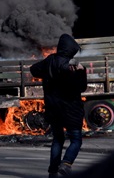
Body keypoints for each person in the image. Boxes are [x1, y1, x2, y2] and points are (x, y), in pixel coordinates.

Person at [30, 33, 87, 177]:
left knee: (58, 140)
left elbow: (33, 69)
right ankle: (66, 163)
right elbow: (81, 87)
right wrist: (81, 71)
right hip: (71, 110)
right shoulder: (70, 68)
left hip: (53, 110)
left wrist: (47, 72)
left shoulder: (50, 61)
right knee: (76, 140)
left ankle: (52, 172)